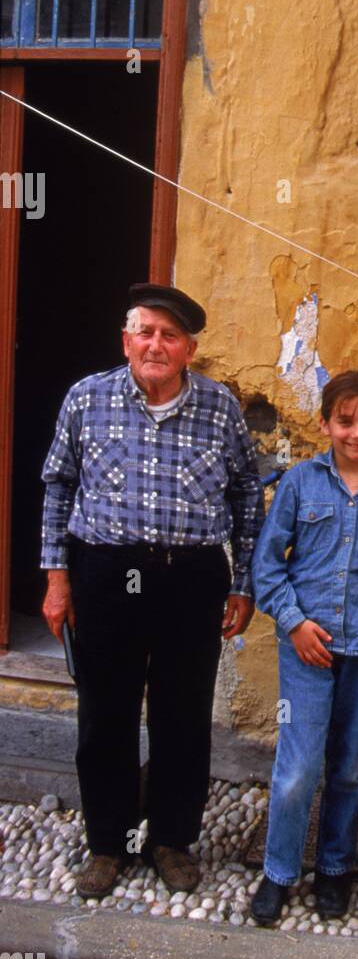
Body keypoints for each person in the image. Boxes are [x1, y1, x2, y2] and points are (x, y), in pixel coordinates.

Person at [40, 284, 264, 898]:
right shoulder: (87, 399)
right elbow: (58, 488)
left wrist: (242, 582)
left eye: (170, 336)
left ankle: (171, 839)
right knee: (104, 712)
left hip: (190, 578)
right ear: (126, 340)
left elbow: (247, 494)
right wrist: (58, 580)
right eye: (146, 332)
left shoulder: (220, 407)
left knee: (183, 713)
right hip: (105, 573)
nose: (156, 345)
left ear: (190, 348)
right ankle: (108, 844)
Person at [250, 371, 358, 924]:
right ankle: (279, 870)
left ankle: (335, 869)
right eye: (345, 421)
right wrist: (294, 624)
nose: (356, 433)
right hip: (306, 649)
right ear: (325, 424)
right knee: (297, 768)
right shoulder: (299, 483)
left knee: (348, 770)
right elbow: (266, 567)